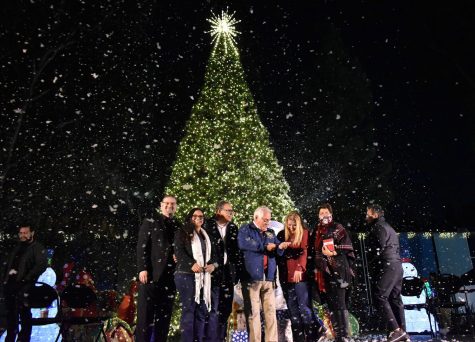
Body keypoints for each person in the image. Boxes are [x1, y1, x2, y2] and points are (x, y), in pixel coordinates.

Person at [238, 206, 290, 342]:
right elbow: (244, 244)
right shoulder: (245, 229)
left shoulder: (271, 232)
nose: (267, 222)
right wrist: (265, 247)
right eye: (265, 220)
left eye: (269, 220)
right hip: (252, 279)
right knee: (253, 314)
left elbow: (276, 248)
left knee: (271, 314)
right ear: (256, 218)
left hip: (269, 279)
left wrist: (281, 247)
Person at [136, 195, 181, 342]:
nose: (170, 206)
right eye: (167, 203)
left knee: (164, 320)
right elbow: (142, 246)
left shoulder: (179, 225)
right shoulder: (150, 222)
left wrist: (179, 256)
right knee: (145, 319)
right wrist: (143, 268)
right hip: (151, 277)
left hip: (170, 279)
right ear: (161, 206)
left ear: (176, 207)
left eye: (173, 204)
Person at [277, 211, 322, 342]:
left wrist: (299, 268)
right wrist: (280, 247)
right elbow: (278, 254)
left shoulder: (304, 233)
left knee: (304, 307)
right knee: (292, 309)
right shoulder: (282, 235)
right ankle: (299, 338)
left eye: (294, 225)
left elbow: (304, 252)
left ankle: (312, 335)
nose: (291, 228)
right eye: (289, 225)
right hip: (286, 277)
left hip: (300, 277)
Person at [365, 204, 408, 342]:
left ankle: (395, 330)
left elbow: (379, 247)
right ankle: (402, 332)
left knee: (380, 296)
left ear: (375, 215)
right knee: (395, 298)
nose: (366, 216)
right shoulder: (389, 227)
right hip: (397, 265)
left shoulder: (378, 227)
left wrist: (370, 261)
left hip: (388, 264)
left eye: (368, 214)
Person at [314, 203, 355, 342]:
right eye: (321, 213)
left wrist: (334, 251)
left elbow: (347, 247)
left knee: (340, 303)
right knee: (331, 305)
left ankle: (345, 335)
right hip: (324, 273)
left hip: (339, 270)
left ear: (331, 214)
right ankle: (338, 335)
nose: (324, 215)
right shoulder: (317, 231)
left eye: (326, 212)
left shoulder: (337, 228)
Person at [174, 208, 216, 342]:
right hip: (186, 275)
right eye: (195, 216)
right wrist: (191, 263)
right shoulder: (182, 232)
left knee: (202, 311)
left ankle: (198, 339)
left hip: (204, 277)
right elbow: (179, 252)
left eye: (201, 216)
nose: (198, 218)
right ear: (190, 218)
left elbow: (214, 255)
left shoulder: (205, 235)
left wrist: (213, 265)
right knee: (189, 311)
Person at [2, 225, 47, 342]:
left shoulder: (36, 247)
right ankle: (11, 338)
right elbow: (9, 265)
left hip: (24, 286)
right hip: (11, 285)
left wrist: (27, 279)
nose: (23, 235)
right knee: (11, 315)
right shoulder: (17, 248)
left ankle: (23, 339)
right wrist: (5, 280)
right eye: (21, 233)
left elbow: (41, 265)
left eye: (25, 233)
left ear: (32, 233)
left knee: (24, 314)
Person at [205, 201, 243, 341]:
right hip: (212, 274)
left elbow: (236, 251)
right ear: (218, 211)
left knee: (225, 310)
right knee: (212, 310)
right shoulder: (207, 225)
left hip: (228, 275)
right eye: (228, 210)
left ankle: (221, 338)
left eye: (232, 211)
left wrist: (237, 272)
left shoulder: (233, 227)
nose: (231, 213)